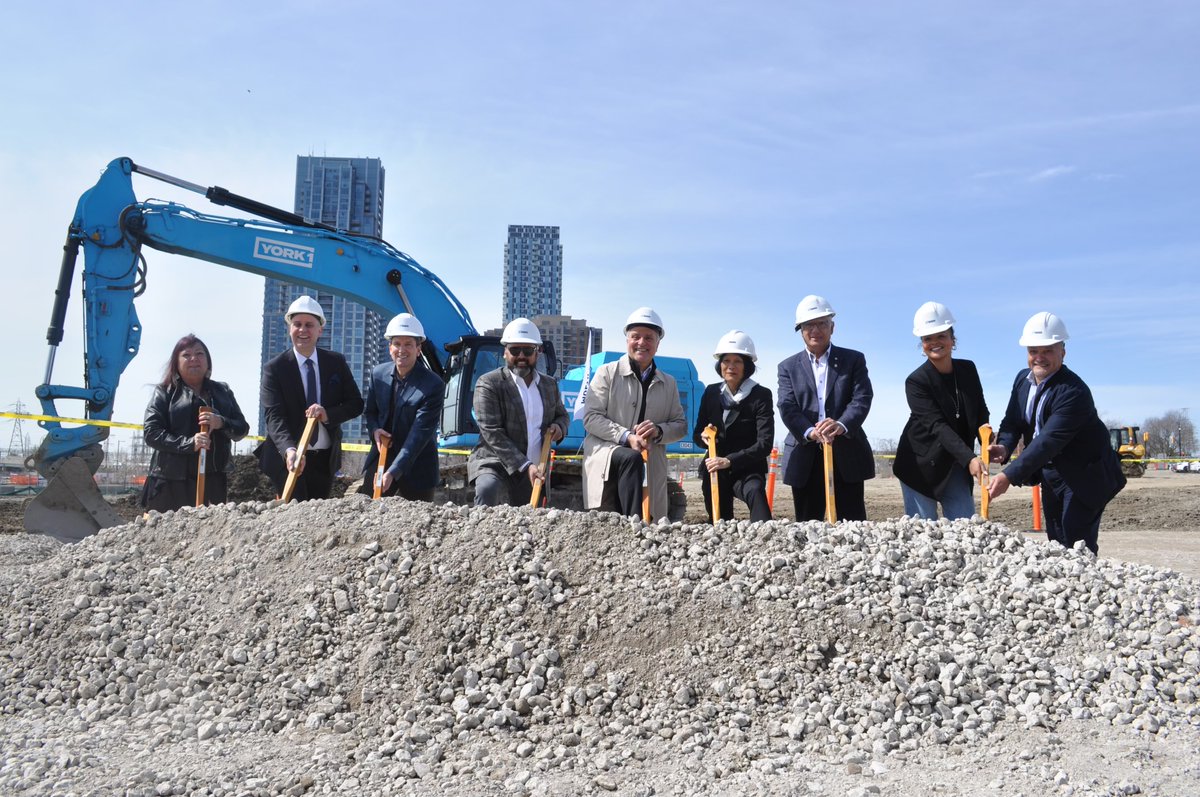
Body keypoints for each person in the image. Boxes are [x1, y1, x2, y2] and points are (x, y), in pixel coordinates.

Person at [987, 312, 1126, 554]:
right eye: (1033, 351)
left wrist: (1008, 476)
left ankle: (1086, 587)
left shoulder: (1073, 392)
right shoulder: (1023, 380)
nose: (1039, 357)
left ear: (1063, 351)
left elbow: (1047, 441)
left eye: (1047, 350)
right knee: (1055, 540)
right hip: (1051, 472)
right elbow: (1013, 421)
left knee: (1076, 542)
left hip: (1085, 475)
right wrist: (1005, 446)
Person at [583, 307, 687, 521]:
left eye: (649, 338)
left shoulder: (668, 383)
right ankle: (633, 528)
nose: (642, 343)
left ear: (658, 343)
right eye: (635, 337)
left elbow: (680, 425)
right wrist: (626, 436)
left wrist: (658, 431)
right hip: (608, 454)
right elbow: (591, 417)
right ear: (627, 339)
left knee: (652, 521)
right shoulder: (607, 373)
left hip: (651, 463)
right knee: (630, 459)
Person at [256, 295, 364, 500]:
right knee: (293, 517)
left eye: (309, 325)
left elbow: (355, 404)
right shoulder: (275, 369)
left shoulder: (336, 363)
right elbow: (274, 417)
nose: (302, 330)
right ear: (289, 328)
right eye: (297, 324)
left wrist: (327, 414)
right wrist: (289, 450)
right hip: (287, 458)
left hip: (324, 460)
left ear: (319, 330)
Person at [777, 295, 875, 521]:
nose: (816, 330)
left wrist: (841, 424)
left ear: (833, 327)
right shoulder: (788, 367)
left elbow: (862, 397)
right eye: (809, 325)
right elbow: (787, 405)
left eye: (822, 323)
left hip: (846, 453)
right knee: (807, 526)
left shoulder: (853, 360)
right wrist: (810, 431)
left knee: (852, 526)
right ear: (800, 330)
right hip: (805, 454)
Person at [893, 302, 990, 520]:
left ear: (952, 340)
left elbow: (980, 409)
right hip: (920, 465)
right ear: (922, 344)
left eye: (941, 336)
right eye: (927, 338)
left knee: (965, 526)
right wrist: (970, 458)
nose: (935, 343)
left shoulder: (968, 370)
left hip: (955, 462)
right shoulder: (916, 381)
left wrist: (987, 438)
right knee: (924, 532)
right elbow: (937, 426)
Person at [468, 318, 571, 507]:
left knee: (531, 522)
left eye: (528, 350)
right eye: (515, 350)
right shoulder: (489, 383)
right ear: (505, 352)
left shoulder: (549, 385)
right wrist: (525, 465)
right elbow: (492, 432)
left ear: (537, 352)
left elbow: (563, 415)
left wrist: (559, 427)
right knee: (487, 489)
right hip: (495, 462)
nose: (521, 356)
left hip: (535, 467)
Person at [141, 334, 249, 512]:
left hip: (212, 479)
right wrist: (189, 443)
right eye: (186, 355)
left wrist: (221, 422)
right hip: (170, 481)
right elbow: (151, 433)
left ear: (208, 361)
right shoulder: (164, 393)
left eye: (199, 354)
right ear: (176, 362)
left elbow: (241, 428)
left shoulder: (222, 391)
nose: (194, 359)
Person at [359, 313, 445, 501]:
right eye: (397, 344)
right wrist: (375, 431)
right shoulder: (378, 374)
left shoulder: (433, 385)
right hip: (382, 457)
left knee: (419, 524)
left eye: (408, 344)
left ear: (418, 349)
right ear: (390, 348)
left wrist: (393, 471)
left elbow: (419, 435)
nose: (401, 350)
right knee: (368, 514)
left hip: (418, 466)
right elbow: (371, 412)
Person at [693, 330, 774, 522]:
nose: (730, 367)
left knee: (755, 492)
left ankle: (768, 538)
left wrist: (729, 460)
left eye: (737, 361)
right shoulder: (711, 392)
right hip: (715, 468)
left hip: (748, 466)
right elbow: (697, 434)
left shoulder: (760, 395)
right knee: (719, 520)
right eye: (726, 361)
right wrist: (704, 438)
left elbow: (765, 443)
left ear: (747, 365)